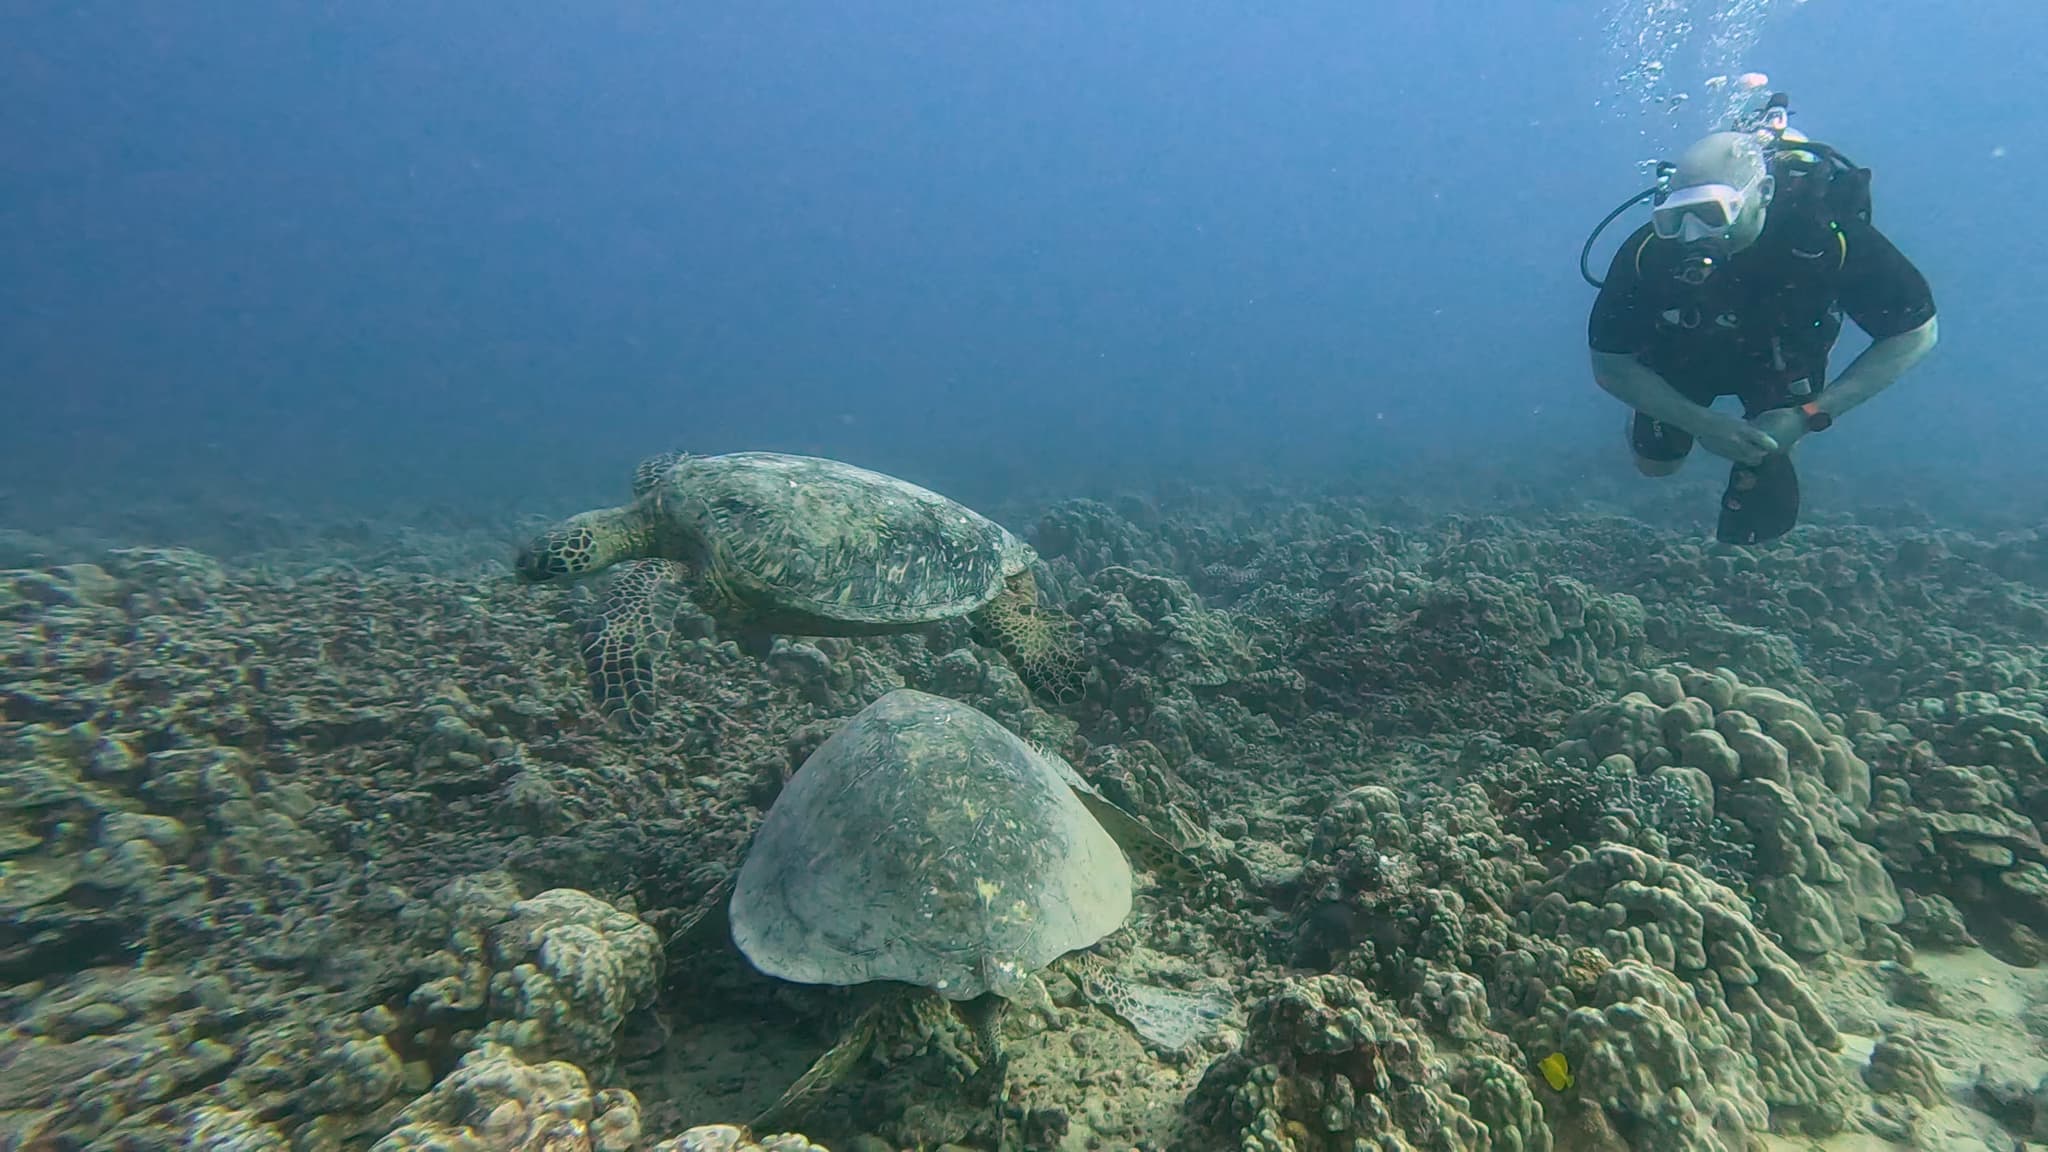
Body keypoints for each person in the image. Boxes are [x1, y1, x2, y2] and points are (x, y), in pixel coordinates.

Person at [1586, 125, 1940, 544]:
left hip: (1781, 357)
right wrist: (1701, 423)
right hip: (1686, 353)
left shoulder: (1826, 237)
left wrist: (1808, 416)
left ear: (1764, 192)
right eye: (1675, 219)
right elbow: (1609, 363)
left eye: (1712, 214)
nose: (1694, 234)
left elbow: (1916, 333)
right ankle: (1661, 423)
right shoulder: (1650, 252)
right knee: (1656, 465)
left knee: (1770, 442)